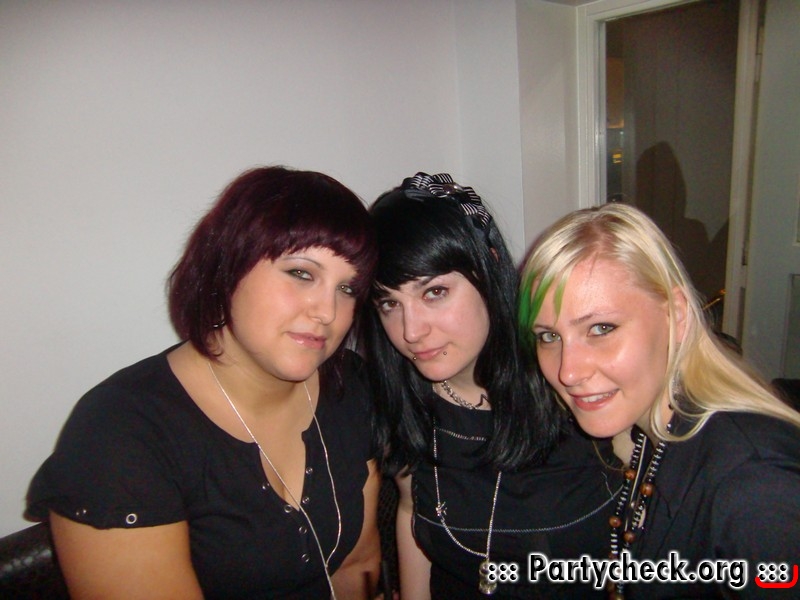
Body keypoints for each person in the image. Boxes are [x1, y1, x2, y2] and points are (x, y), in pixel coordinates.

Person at [26, 166, 381, 599]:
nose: (327, 311)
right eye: (301, 273)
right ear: (228, 267)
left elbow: (358, 567)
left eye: (347, 288)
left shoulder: (348, 386)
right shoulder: (119, 433)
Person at [519, 202, 800, 599]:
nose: (568, 372)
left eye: (601, 328)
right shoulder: (653, 435)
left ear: (677, 315)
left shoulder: (755, 487)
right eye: (549, 336)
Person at [362, 173, 623, 599]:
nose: (411, 331)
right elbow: (412, 509)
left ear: (489, 267)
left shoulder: (575, 384)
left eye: (434, 292)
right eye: (389, 303)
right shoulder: (405, 400)